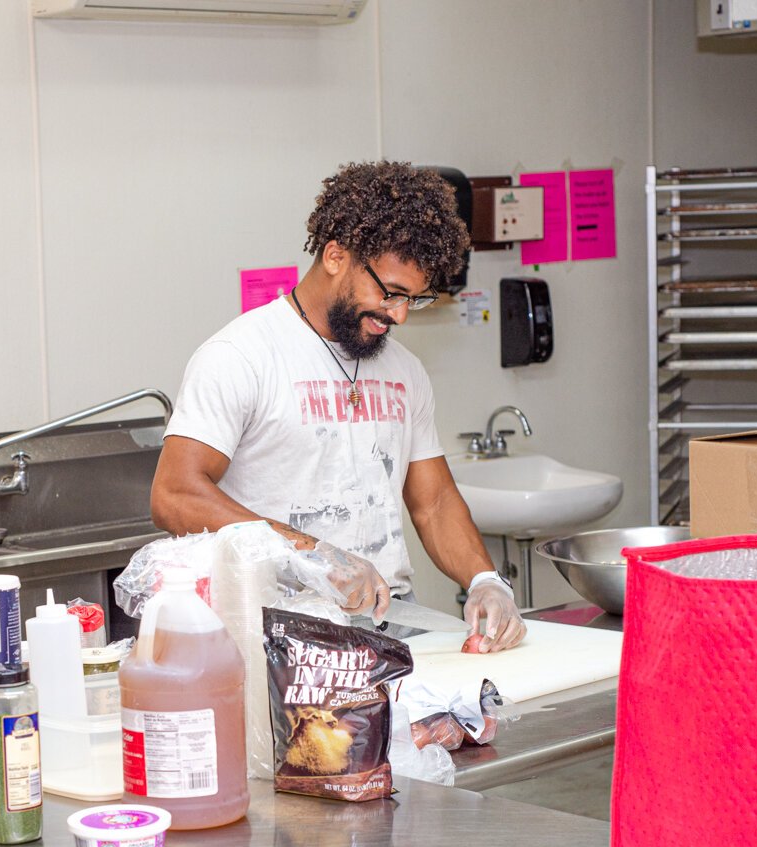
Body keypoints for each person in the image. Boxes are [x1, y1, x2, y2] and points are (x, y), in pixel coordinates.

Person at [151, 160, 526, 653]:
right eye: (390, 293)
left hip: (390, 623)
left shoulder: (404, 371)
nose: (399, 315)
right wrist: (311, 553)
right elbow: (174, 494)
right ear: (335, 255)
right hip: (282, 630)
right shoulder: (241, 356)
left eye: (414, 300)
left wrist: (485, 580)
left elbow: (432, 503)